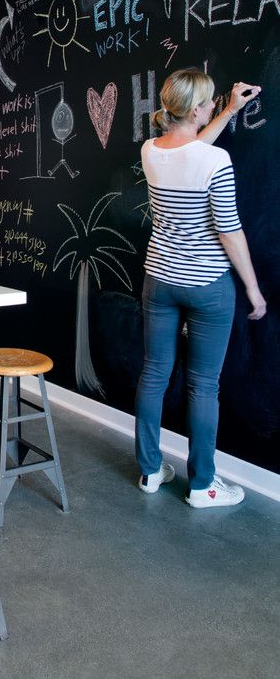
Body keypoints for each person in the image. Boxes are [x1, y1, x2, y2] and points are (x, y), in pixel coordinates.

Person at [134, 68, 266, 508]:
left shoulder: (151, 150)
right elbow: (230, 231)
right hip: (207, 284)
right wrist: (253, 289)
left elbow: (192, 149)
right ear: (194, 110)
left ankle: (151, 471)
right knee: (203, 386)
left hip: (160, 279)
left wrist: (229, 108)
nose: (213, 105)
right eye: (209, 102)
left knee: (154, 375)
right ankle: (202, 486)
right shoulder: (215, 161)